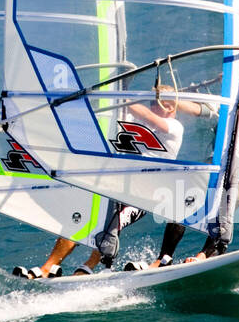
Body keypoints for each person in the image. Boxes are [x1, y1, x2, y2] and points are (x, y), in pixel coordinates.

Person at [14, 85, 211, 278]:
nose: (165, 108)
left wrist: (121, 98)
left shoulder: (175, 127)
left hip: (144, 194)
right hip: (116, 185)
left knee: (110, 224)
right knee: (80, 218)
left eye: (169, 104)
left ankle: (92, 267)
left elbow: (151, 119)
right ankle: (48, 267)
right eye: (158, 103)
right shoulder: (133, 121)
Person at [131, 58, 239, 269]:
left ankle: (205, 255)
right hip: (219, 157)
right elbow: (195, 109)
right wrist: (171, 98)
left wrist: (235, 84)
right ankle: (163, 259)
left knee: (227, 205)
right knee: (182, 201)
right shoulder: (225, 100)